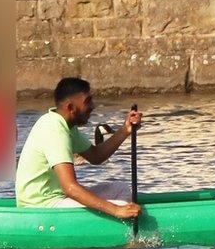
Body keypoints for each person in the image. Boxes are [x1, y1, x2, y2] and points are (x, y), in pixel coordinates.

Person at [15, 77, 141, 219]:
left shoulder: (67, 126)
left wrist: (126, 130)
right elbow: (70, 188)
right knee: (119, 204)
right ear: (70, 107)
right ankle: (124, 231)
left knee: (121, 189)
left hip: (57, 198)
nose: (93, 106)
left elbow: (96, 156)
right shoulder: (54, 129)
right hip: (40, 206)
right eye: (87, 102)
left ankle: (123, 227)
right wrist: (116, 210)